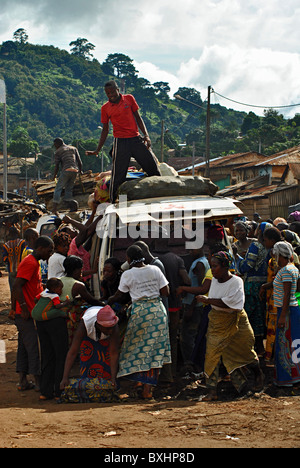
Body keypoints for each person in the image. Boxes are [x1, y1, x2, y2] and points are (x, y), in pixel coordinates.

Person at [196, 251, 264, 401]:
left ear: (225, 266)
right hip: (217, 321)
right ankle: (212, 391)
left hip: (236, 320)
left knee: (245, 351)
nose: (212, 270)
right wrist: (209, 301)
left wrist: (208, 300)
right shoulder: (213, 280)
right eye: (211, 266)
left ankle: (258, 374)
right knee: (212, 355)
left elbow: (231, 303)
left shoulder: (236, 281)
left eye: (215, 266)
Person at [107, 245, 171, 400]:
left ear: (128, 259)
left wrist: (109, 300)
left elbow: (120, 294)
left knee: (134, 347)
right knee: (154, 351)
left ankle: (139, 383)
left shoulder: (128, 274)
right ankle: (146, 388)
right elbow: (166, 292)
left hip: (140, 313)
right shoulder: (155, 269)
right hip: (157, 311)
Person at [85, 80, 161, 203]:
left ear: (118, 90)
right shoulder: (105, 108)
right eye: (108, 93)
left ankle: (160, 197)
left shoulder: (129, 99)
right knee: (118, 176)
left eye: (112, 91)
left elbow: (138, 118)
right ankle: (114, 202)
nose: (111, 95)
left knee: (152, 168)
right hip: (120, 142)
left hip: (135, 139)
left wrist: (146, 136)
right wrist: (97, 150)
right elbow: (105, 130)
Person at [12, 236, 54, 392]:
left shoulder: (33, 263)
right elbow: (16, 286)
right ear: (41, 248)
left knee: (24, 347)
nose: (50, 254)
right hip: (26, 314)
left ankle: (23, 381)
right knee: (34, 348)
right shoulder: (30, 263)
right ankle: (38, 382)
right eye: (49, 251)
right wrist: (23, 307)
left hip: (27, 312)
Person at [59, 306, 120, 403]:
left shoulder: (114, 327)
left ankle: (103, 392)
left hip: (102, 337)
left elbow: (113, 353)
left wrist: (113, 379)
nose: (110, 332)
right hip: (89, 334)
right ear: (99, 325)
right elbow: (73, 352)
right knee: (88, 357)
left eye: (111, 328)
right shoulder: (84, 324)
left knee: (105, 360)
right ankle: (89, 393)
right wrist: (65, 378)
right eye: (107, 329)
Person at [154, 237, 191, 380]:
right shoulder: (176, 259)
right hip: (174, 306)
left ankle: (157, 374)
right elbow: (187, 280)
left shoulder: (151, 260)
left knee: (156, 340)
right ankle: (172, 372)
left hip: (157, 306)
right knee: (172, 340)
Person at [234, 222, 272, 356]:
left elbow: (246, 267)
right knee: (259, 315)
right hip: (263, 285)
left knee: (249, 316)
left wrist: (237, 257)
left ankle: (248, 347)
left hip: (251, 287)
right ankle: (260, 347)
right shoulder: (268, 246)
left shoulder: (255, 246)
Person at [32, 278, 70, 400]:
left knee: (47, 355)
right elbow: (58, 306)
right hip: (55, 324)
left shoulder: (44, 293)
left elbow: (35, 299)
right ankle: (59, 392)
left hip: (41, 323)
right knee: (60, 355)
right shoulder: (56, 295)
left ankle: (45, 391)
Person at [272, 241, 300, 387]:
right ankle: (295, 375)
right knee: (293, 343)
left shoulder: (286, 271)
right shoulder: (292, 268)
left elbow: (287, 294)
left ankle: (288, 378)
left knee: (285, 343)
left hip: (286, 310)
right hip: (291, 309)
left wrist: (282, 315)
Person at [59, 255, 104, 345]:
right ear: (76, 270)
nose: (81, 272)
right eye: (81, 269)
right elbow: (92, 300)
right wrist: (104, 305)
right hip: (71, 320)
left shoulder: (57, 280)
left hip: (59, 318)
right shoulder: (78, 285)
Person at [180, 247, 210, 372]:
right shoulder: (202, 261)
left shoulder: (199, 264)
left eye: (192, 250)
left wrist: (190, 308)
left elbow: (200, 288)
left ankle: (191, 364)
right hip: (196, 304)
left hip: (194, 305)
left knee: (187, 336)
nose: (190, 252)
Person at [259, 227, 282, 365]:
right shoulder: (276, 254)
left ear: (272, 241)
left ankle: (272, 357)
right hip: (273, 296)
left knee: (273, 327)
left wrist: (264, 286)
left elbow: (277, 278)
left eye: (266, 240)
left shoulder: (276, 256)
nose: (264, 242)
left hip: (276, 296)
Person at [52, 137, 83, 215]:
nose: (55, 146)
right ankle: (71, 207)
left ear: (57, 144)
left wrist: (54, 176)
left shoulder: (58, 151)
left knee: (58, 188)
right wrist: (80, 171)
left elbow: (57, 166)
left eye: (55, 145)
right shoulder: (73, 148)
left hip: (66, 170)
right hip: (75, 171)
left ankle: (55, 209)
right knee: (69, 189)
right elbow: (79, 161)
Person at [3, 227, 26, 309]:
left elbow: (4, 259)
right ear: (17, 233)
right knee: (22, 289)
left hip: (12, 270)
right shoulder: (22, 242)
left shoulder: (6, 245)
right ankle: (22, 305)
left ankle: (14, 307)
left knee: (13, 289)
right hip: (22, 270)